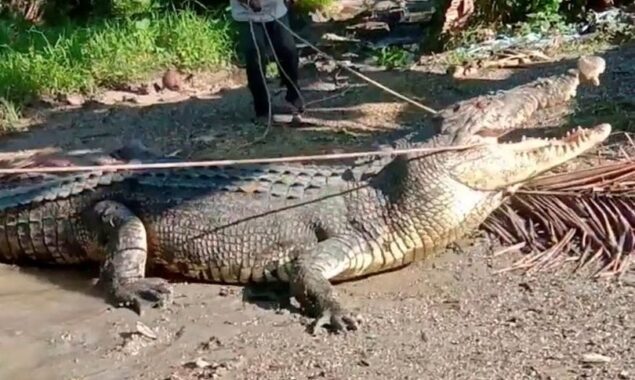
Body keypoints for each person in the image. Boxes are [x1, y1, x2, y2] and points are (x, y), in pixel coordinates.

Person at [229, 0, 304, 123]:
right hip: (247, 15)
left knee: (288, 50)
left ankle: (294, 97)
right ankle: (262, 109)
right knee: (255, 55)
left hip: (276, 10)